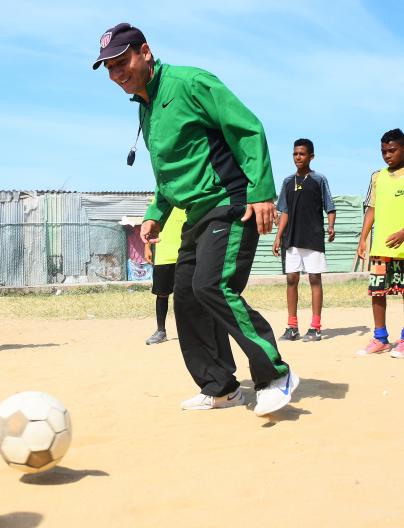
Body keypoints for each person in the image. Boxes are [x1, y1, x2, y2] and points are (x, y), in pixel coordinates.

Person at [93, 23, 297, 416]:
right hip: (197, 215)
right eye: (110, 68)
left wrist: (261, 192)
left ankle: (275, 374)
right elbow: (170, 176)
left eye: (122, 62)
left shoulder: (190, 83)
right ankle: (220, 386)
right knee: (185, 298)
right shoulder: (147, 109)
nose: (118, 74)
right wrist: (156, 215)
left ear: (145, 52)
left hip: (230, 202)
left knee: (213, 286)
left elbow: (247, 127)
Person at [272, 138, 336, 342]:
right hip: (291, 238)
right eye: (295, 154)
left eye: (301, 154)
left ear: (311, 156)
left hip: (313, 236)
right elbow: (284, 211)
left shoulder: (319, 180)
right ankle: (292, 327)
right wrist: (278, 236)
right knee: (291, 279)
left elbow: (330, 206)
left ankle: (315, 327)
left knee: (314, 279)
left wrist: (331, 226)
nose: (297, 157)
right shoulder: (287, 182)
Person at [356, 128, 404, 357]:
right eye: (383, 151)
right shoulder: (377, 177)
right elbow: (371, 209)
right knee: (377, 292)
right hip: (381, 248)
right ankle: (380, 338)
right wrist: (363, 238)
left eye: (392, 150)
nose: (387, 155)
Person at [143, 208, 186, 345]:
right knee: (161, 294)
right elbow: (151, 224)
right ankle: (161, 331)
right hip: (164, 255)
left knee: (185, 295)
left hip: (186, 253)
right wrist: (147, 247)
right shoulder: (161, 199)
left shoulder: (190, 195)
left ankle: (187, 332)